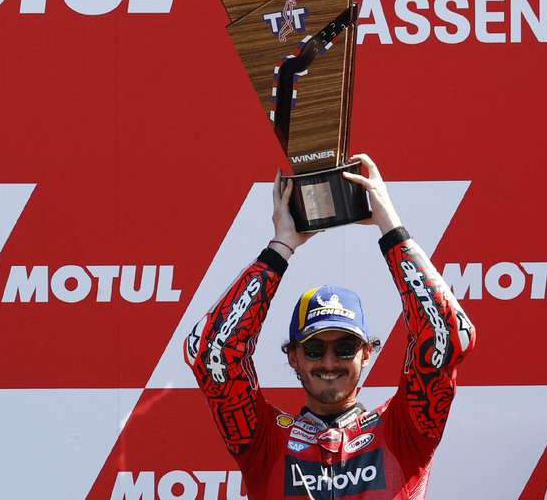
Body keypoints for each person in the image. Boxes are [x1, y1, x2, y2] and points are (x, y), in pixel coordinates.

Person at [184, 154, 476, 499]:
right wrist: (281, 247)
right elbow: (209, 352)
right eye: (313, 349)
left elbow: (448, 333)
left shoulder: (404, 429)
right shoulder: (264, 441)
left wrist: (392, 228)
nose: (329, 362)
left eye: (345, 348)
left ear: (367, 353)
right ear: (292, 356)